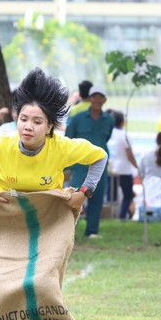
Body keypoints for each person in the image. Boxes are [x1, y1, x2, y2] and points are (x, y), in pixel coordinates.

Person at [0, 68, 107, 215]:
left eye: (37, 122)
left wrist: (85, 192)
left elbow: (100, 157)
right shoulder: (4, 142)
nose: (28, 127)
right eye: (23, 119)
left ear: (49, 126)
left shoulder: (62, 147)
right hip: (7, 215)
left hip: (48, 217)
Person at [65, 84, 114, 238]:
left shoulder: (109, 120)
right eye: (95, 97)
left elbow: (107, 138)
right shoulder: (77, 119)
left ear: (105, 100)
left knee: (97, 197)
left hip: (100, 165)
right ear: (90, 99)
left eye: (101, 97)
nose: (98, 100)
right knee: (75, 195)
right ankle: (68, 230)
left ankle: (92, 231)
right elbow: (68, 140)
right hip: (80, 165)